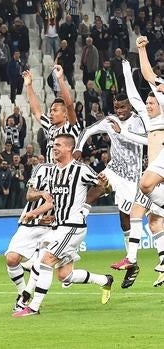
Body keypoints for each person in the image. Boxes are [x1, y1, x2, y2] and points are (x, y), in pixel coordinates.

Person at [13, 134, 114, 317]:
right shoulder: (53, 173)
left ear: (69, 148)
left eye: (58, 145)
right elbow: (52, 202)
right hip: (59, 226)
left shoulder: (81, 170)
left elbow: (104, 187)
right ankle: (104, 280)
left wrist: (105, 185)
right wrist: (35, 214)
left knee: (45, 261)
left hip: (73, 226)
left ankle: (31, 305)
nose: (54, 148)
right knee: (64, 275)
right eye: (53, 145)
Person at [109, 37, 164, 288]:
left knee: (144, 188)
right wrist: (141, 49)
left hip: (159, 171)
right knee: (141, 214)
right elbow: (143, 81)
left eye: (153, 101)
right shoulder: (151, 117)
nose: (150, 102)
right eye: (150, 101)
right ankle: (134, 258)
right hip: (155, 172)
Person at [73, 92, 147, 277]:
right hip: (113, 171)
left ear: (130, 106)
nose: (119, 111)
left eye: (123, 107)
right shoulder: (109, 121)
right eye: (117, 107)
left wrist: (124, 132)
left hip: (131, 179)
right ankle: (75, 225)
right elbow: (87, 131)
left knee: (125, 221)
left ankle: (132, 261)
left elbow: (148, 140)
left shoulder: (139, 121)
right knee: (93, 191)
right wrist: (78, 148)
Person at [5, 162, 55, 311]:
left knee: (62, 273)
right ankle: (22, 292)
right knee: (11, 259)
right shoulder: (42, 169)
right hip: (30, 224)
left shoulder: (75, 173)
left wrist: (56, 218)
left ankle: (27, 301)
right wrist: (42, 194)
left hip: (54, 228)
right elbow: (29, 195)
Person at [23, 66, 81, 163]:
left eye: (55, 110)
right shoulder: (51, 127)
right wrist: (29, 86)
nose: (51, 113)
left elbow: (70, 105)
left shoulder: (71, 127)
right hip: (52, 174)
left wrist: (60, 80)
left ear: (65, 114)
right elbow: (36, 111)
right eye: (50, 111)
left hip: (66, 173)